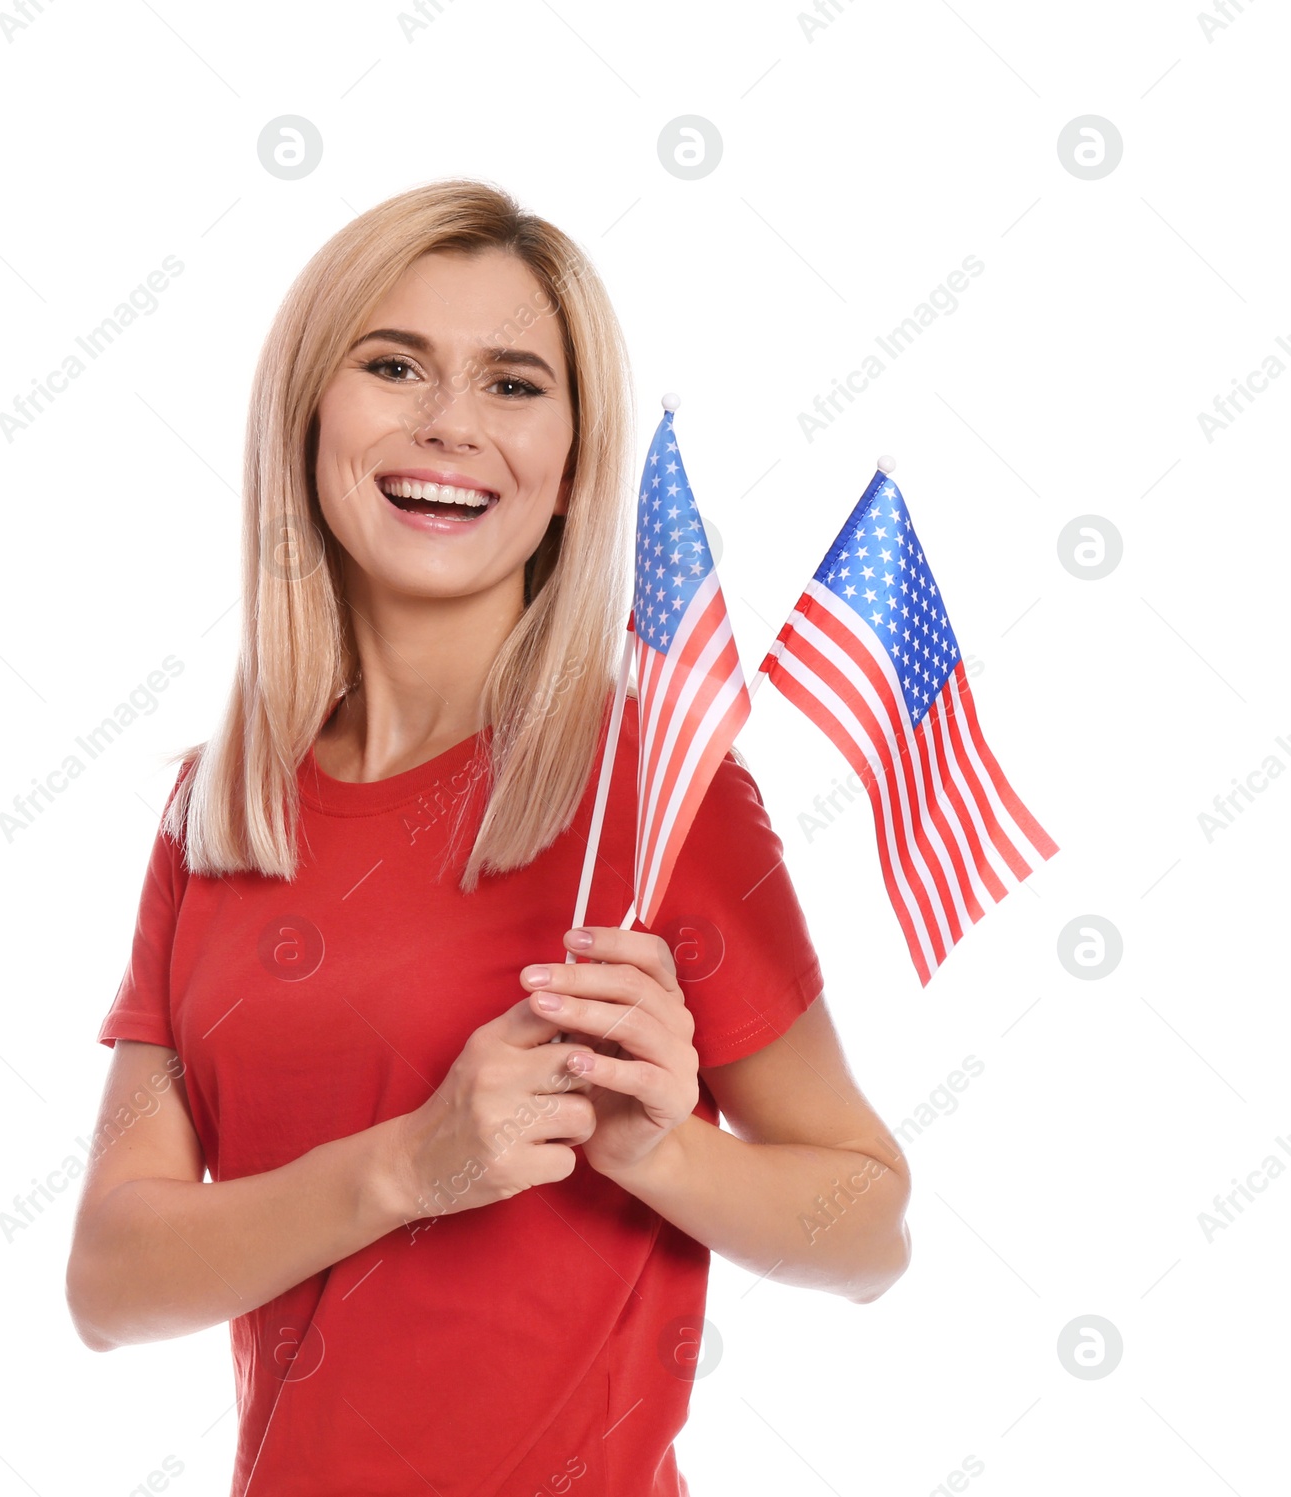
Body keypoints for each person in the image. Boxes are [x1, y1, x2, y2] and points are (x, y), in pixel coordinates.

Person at [66, 178, 912, 1497]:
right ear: (308, 417)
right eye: (395, 363)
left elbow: (869, 1226)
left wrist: (662, 1149)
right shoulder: (217, 810)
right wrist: (408, 1164)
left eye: (514, 384)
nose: (450, 424)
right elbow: (111, 1278)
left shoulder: (659, 800)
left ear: (573, 466)